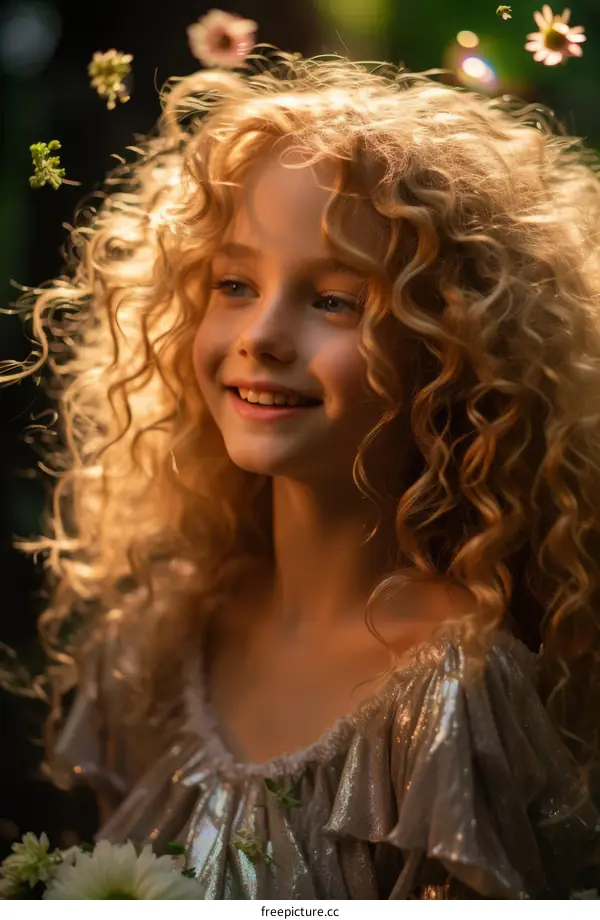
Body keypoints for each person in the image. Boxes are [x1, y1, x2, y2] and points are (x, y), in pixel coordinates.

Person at [4, 50, 600, 899]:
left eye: (334, 301)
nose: (262, 336)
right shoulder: (160, 642)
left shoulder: (449, 691)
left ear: (452, 348)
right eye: (235, 283)